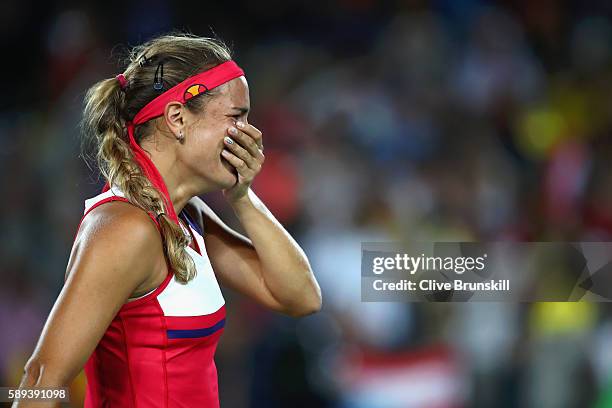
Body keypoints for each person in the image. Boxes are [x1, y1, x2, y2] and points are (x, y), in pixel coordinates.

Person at [13, 33, 322, 408]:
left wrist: (241, 196)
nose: (250, 135)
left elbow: (300, 297)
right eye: (236, 116)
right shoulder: (125, 229)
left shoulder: (187, 217)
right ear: (177, 118)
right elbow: (41, 379)